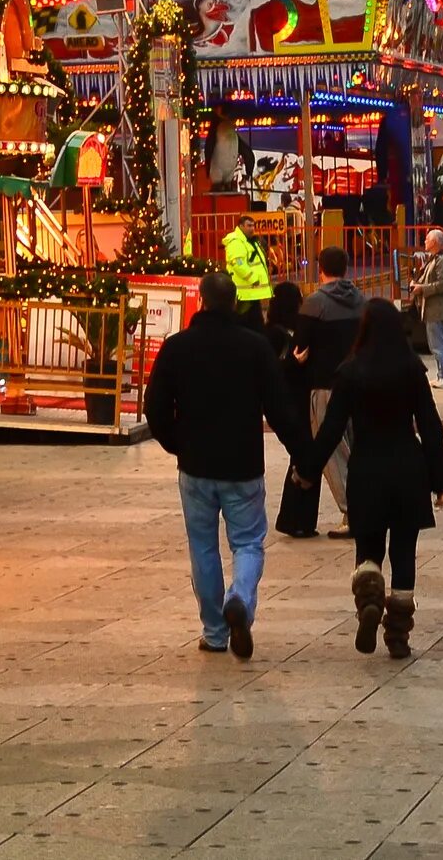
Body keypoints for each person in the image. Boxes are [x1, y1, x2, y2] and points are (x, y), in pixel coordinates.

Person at [146, 273, 312, 658]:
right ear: (236, 302)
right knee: (248, 542)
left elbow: (154, 407)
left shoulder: (177, 348)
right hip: (243, 465)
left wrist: (177, 443)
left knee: (202, 546)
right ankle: (239, 597)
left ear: (201, 301)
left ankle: (215, 632)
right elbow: (281, 410)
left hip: (196, 466)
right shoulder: (254, 348)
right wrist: (304, 458)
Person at [294, 302, 443, 658]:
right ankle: (397, 635)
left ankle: (368, 595)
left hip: (366, 469)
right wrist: (440, 480)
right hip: (408, 468)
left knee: (368, 546)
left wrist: (306, 470)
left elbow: (332, 428)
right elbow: (429, 423)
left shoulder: (351, 371)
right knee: (404, 552)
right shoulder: (412, 368)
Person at [291, 248, 367, 530]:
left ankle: (352, 508)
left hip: (325, 384)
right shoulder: (361, 300)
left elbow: (300, 346)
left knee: (332, 451)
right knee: (356, 446)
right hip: (358, 383)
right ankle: (364, 504)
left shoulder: (315, 303)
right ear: (346, 268)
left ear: (320, 268)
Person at [410, 229, 443, 387]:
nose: (424, 241)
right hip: (430, 308)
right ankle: (441, 375)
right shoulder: (432, 260)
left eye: (427, 239)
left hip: (437, 308)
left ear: (435, 242)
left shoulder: (442, 261)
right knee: (435, 344)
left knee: (438, 344)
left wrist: (422, 288)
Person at [221, 219, 276, 324]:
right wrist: (252, 278)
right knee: (246, 322)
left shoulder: (249, 241)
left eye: (253, 226)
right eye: (249, 226)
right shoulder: (236, 242)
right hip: (244, 293)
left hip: (251, 292)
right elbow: (238, 263)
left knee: (254, 322)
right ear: (240, 226)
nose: (252, 228)